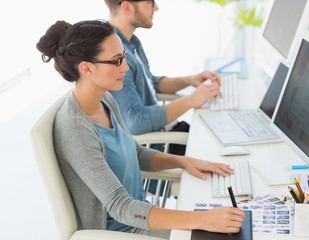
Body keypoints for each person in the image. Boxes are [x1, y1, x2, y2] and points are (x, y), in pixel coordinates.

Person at [36, 19, 244, 239]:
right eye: (116, 61)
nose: (125, 67)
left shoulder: (104, 98)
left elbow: (137, 153)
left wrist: (185, 161)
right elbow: (121, 207)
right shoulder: (75, 130)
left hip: (142, 218)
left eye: (123, 57)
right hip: (125, 232)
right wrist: (203, 219)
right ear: (86, 68)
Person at [103, 0, 222, 155]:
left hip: (168, 132)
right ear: (127, 7)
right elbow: (135, 121)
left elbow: (149, 82)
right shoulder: (115, 56)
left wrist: (189, 80)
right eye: (150, 2)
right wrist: (191, 100)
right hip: (159, 147)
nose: (156, 8)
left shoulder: (132, 42)